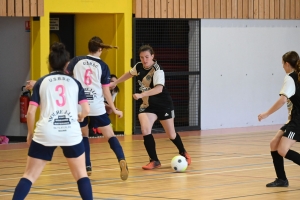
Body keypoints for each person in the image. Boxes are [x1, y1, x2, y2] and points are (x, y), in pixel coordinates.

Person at [12, 43, 93, 200]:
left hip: (46, 131)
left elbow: (30, 112)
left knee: (29, 176)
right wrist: (81, 116)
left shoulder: (41, 82)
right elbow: (86, 110)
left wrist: (30, 133)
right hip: (70, 132)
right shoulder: (75, 83)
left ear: (49, 64)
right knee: (81, 175)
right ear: (67, 64)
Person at [110, 44, 191, 170]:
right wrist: (115, 82)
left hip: (163, 105)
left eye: (147, 57)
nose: (144, 60)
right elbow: (129, 74)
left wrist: (142, 94)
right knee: (145, 130)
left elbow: (159, 89)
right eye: (142, 57)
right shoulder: (138, 66)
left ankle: (183, 152)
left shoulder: (158, 70)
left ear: (152, 56)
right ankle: (154, 160)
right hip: (148, 105)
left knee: (171, 134)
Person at [66, 36, 128, 180]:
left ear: (89, 48)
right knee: (110, 136)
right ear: (100, 49)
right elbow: (106, 91)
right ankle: (121, 159)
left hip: (80, 105)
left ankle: (87, 165)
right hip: (97, 106)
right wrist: (114, 108)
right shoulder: (103, 66)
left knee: (84, 135)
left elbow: (65, 77)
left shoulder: (76, 60)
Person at [258, 51, 300, 187]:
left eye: (283, 64)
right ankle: (282, 179)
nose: (282, 67)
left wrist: (266, 114)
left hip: (298, 121)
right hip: (293, 119)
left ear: (287, 64)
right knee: (274, 144)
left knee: (282, 150)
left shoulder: (290, 78)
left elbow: (283, 100)